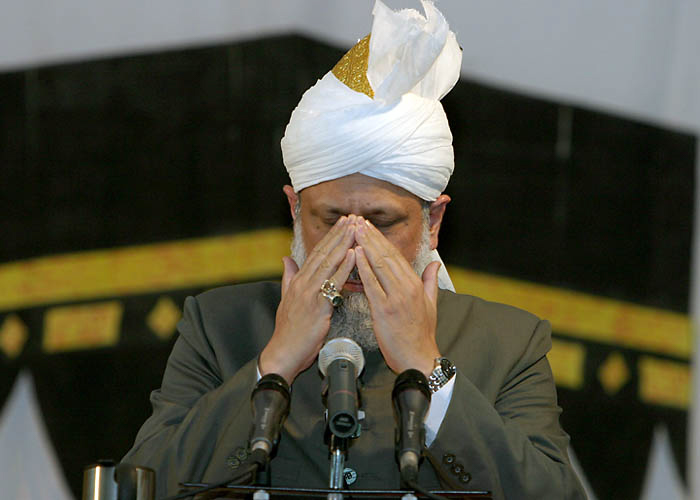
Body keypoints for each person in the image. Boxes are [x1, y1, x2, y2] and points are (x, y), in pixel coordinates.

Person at [123, 1, 586, 498]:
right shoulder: (219, 327)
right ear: (294, 211)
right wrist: (275, 362)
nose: (355, 246)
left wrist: (430, 368)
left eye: (382, 223)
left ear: (433, 223)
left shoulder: (507, 343)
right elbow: (141, 486)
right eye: (330, 220)